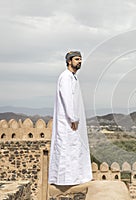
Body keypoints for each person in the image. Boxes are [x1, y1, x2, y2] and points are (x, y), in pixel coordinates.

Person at [48, 51, 92, 185]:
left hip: (72, 121)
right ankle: (65, 179)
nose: (79, 62)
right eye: (77, 59)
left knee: (73, 148)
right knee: (66, 148)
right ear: (69, 61)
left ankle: (75, 177)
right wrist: (73, 117)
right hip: (68, 121)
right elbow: (67, 98)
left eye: (80, 59)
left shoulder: (72, 77)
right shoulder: (66, 77)